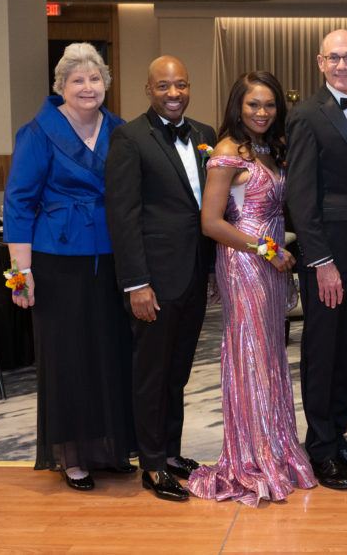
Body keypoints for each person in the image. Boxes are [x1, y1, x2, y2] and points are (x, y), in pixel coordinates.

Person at [4, 42, 134, 491]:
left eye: (95, 78)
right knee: (68, 359)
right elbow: (18, 204)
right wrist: (20, 276)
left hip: (112, 257)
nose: (87, 87)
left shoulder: (120, 129)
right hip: (56, 260)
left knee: (110, 353)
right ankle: (72, 455)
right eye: (77, 80)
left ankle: (109, 448)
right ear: (60, 87)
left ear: (106, 84)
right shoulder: (38, 132)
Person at [186, 71, 316, 506]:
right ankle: (250, 456)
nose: (262, 112)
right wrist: (266, 249)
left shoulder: (268, 149)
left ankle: (275, 448)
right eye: (253, 105)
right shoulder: (227, 152)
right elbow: (211, 222)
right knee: (251, 357)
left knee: (270, 357)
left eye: (269, 105)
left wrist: (277, 255)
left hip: (271, 263)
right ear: (237, 107)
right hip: (244, 262)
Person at [105, 55, 217, 502]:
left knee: (178, 373)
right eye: (165, 86)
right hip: (152, 281)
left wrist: (209, 271)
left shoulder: (206, 135)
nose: (175, 94)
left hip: (192, 275)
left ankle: (171, 452)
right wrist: (136, 283)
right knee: (151, 375)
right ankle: (151, 465)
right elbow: (123, 216)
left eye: (182, 85)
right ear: (148, 90)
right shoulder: (129, 138)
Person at [284, 29, 347, 491]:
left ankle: (337, 435)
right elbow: (301, 198)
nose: (342, 65)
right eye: (334, 58)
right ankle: (320, 449)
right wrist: (320, 261)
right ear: (320, 62)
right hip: (328, 261)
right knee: (323, 354)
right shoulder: (306, 114)